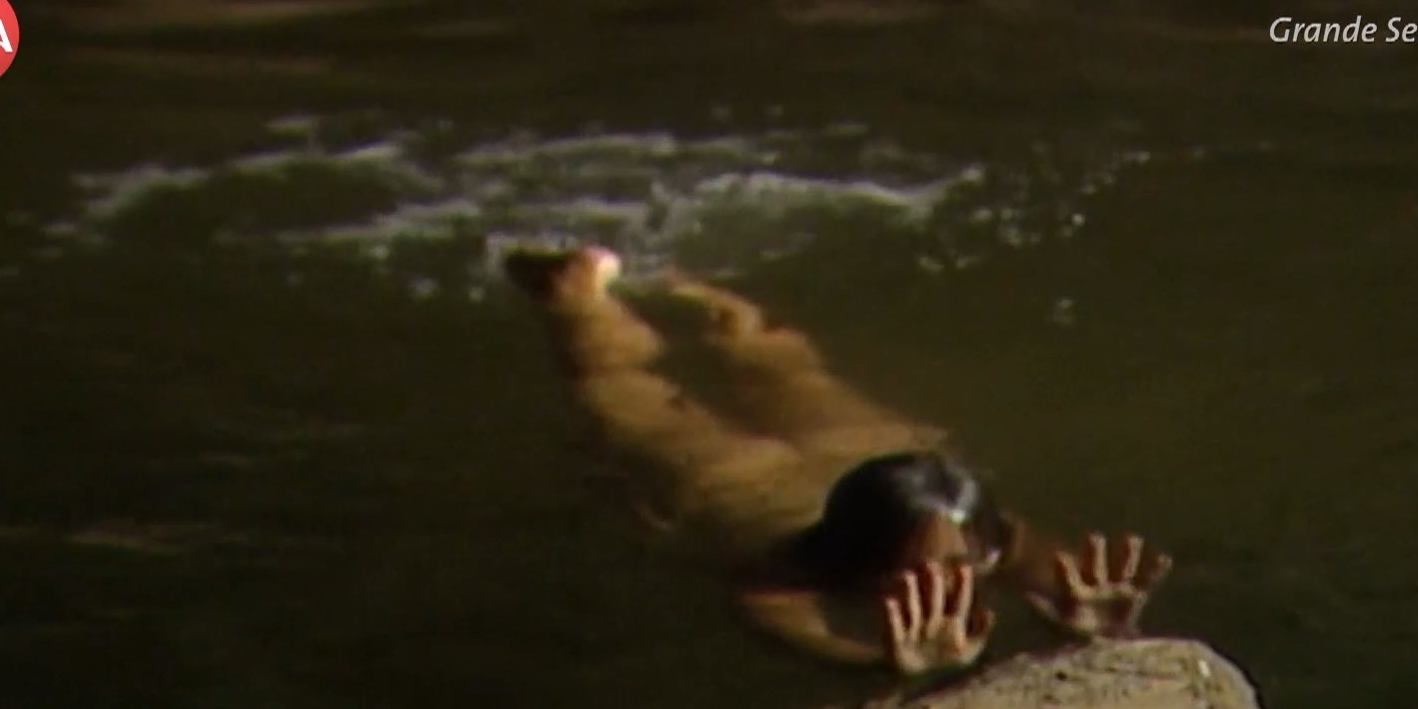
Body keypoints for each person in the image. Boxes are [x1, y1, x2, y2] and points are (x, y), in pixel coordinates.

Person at [502, 244, 1171, 676]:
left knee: (788, 370)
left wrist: (1079, 613)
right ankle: (578, 295)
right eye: (920, 570)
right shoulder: (794, 573)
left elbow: (1034, 557)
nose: (949, 581)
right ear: (861, 565)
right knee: (622, 386)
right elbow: (777, 614)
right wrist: (884, 658)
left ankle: (703, 294)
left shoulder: (978, 533)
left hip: (871, 453)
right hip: (733, 479)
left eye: (962, 563)